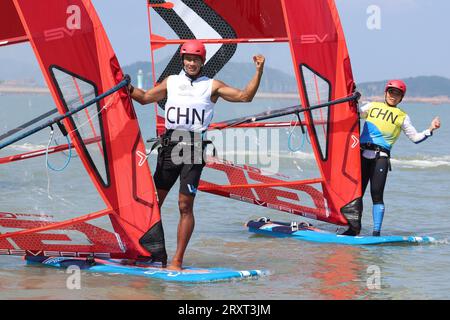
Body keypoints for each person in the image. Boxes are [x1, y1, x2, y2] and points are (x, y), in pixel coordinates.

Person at [128, 40, 265, 270]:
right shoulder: (171, 82)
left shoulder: (211, 86)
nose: (191, 63)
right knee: (152, 203)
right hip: (170, 146)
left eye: (196, 59)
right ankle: (141, 251)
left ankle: (177, 261)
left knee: (184, 206)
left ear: (202, 62)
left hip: (193, 148)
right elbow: (144, 98)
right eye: (188, 59)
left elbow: (244, 97)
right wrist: (127, 87)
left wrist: (258, 71)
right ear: (182, 60)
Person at [343, 80, 441, 236]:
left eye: (397, 94)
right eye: (391, 92)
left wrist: (431, 129)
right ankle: (353, 228)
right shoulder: (371, 106)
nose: (393, 96)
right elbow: (353, 113)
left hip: (380, 158)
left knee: (376, 194)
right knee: (356, 193)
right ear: (385, 93)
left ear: (401, 97)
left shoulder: (402, 116)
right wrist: (351, 96)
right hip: (361, 155)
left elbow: (415, 138)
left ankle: (376, 233)